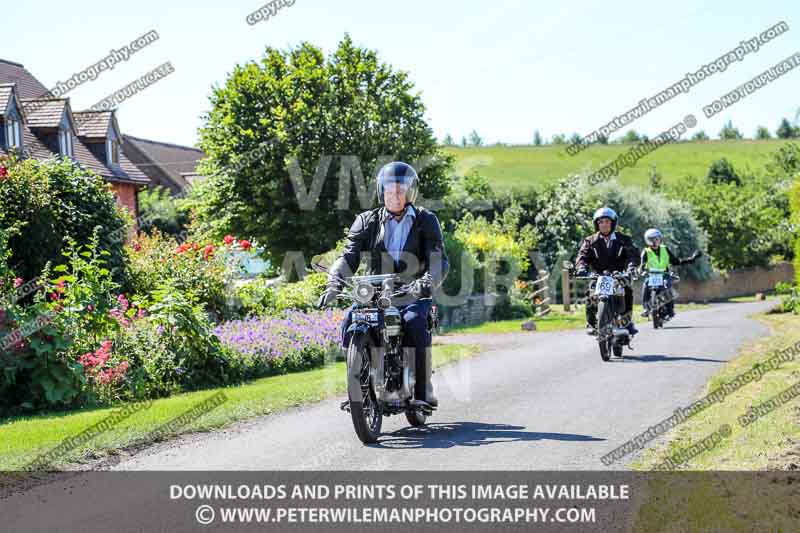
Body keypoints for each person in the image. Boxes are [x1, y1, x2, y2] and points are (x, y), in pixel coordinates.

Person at [317, 161, 448, 407]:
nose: (394, 195)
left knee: (414, 322)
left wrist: (425, 284)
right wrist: (333, 284)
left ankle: (422, 388)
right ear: (381, 191)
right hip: (375, 292)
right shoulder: (367, 221)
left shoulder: (426, 220)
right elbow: (348, 256)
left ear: (410, 192)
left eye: (400, 190)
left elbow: (438, 259)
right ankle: (359, 382)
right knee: (350, 321)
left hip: (413, 292)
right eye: (389, 190)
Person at [574, 207, 640, 336]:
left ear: (613, 223)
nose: (604, 224)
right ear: (596, 224)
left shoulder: (624, 239)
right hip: (598, 276)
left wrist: (631, 267)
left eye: (607, 222)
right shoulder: (590, 241)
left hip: (618, 275)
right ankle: (592, 323)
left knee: (627, 291)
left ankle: (627, 322)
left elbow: (633, 255)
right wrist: (581, 267)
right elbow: (582, 256)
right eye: (601, 222)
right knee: (590, 294)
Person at [639, 228, 702, 319]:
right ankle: (646, 309)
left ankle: (670, 310)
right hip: (651, 275)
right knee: (645, 286)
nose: (655, 241)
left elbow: (676, 261)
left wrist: (692, 259)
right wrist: (641, 271)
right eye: (652, 239)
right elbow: (642, 265)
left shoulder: (665, 249)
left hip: (664, 274)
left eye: (657, 238)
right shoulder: (646, 252)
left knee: (667, 286)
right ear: (648, 240)